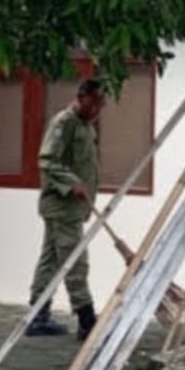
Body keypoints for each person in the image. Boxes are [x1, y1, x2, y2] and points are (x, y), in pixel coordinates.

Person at [25, 79, 105, 340]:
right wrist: (72, 185)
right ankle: (86, 319)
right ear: (81, 98)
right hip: (61, 207)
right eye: (94, 104)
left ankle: (37, 316)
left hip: (71, 207)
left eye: (101, 105)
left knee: (50, 260)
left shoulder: (86, 127)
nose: (97, 110)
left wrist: (86, 195)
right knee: (75, 261)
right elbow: (47, 160)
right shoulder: (64, 123)